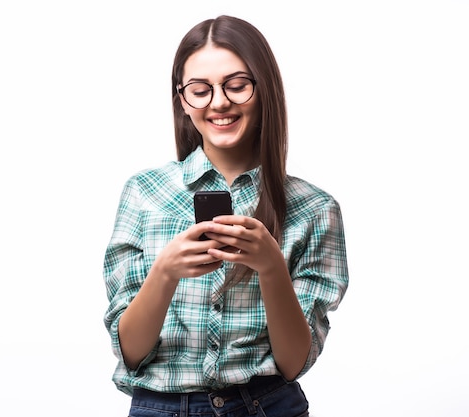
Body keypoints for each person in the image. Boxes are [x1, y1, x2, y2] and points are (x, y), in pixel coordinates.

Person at [103, 15, 349, 417]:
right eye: (200, 90)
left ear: (264, 88)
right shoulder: (144, 193)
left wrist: (271, 268)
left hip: (267, 405)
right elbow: (129, 351)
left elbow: (293, 362)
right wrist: (165, 272)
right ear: (182, 100)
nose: (219, 102)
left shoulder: (315, 209)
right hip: (161, 407)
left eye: (236, 86)